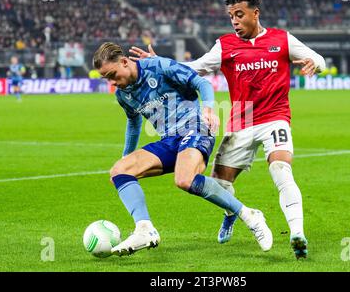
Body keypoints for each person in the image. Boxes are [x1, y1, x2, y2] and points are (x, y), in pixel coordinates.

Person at [130, 0, 326, 260]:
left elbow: (319, 58)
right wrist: (159, 63)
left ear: (255, 13)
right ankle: (231, 212)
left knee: (281, 168)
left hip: (275, 117)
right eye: (231, 16)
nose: (234, 21)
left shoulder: (281, 40)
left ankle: (297, 233)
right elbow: (193, 68)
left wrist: (315, 63)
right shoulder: (225, 45)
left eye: (239, 14)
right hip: (241, 121)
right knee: (219, 185)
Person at [92, 42, 273, 256]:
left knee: (184, 179)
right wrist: (126, 156)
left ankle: (250, 215)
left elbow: (201, 83)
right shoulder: (123, 95)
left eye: (112, 75)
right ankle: (144, 229)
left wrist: (208, 109)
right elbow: (133, 124)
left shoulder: (157, 66)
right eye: (107, 79)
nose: (112, 82)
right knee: (119, 171)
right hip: (169, 140)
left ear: (124, 61)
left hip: (196, 127)